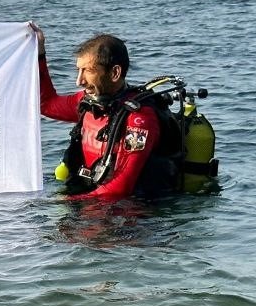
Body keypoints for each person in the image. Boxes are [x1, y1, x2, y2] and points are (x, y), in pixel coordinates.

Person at [36, 28, 177, 199]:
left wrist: (68, 202)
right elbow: (46, 104)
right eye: (78, 71)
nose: (79, 81)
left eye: (87, 71)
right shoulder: (87, 103)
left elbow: (121, 187)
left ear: (114, 73)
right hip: (94, 200)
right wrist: (39, 54)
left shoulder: (139, 120)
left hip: (130, 215)